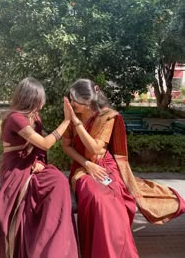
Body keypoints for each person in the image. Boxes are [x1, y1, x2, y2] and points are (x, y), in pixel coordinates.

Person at [62, 78, 185, 258]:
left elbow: (96, 148)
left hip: (106, 165)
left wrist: (76, 121)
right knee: (97, 198)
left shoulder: (107, 116)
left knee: (115, 200)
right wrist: (87, 164)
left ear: (88, 101)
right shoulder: (74, 115)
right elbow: (66, 146)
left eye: (75, 100)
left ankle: (119, 252)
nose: (72, 103)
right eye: (71, 99)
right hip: (83, 166)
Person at [0, 77, 78, 258]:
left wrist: (39, 161)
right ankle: (40, 246)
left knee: (59, 181)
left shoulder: (35, 117)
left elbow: (39, 150)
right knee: (49, 188)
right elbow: (44, 143)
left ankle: (54, 244)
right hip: (15, 170)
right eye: (40, 100)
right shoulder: (15, 118)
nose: (42, 104)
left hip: (32, 165)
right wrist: (67, 121)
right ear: (30, 99)